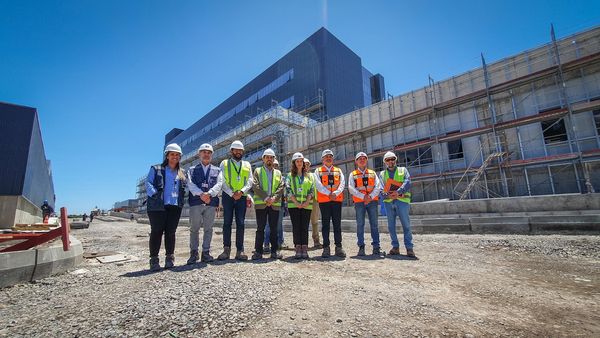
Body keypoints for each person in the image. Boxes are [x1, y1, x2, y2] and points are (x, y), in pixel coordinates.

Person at [145, 143, 187, 271]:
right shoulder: (156, 169)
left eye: (177, 155)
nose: (175, 157)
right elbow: (148, 183)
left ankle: (169, 258)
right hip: (158, 206)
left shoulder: (182, 172)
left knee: (171, 233)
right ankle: (154, 260)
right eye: (172, 154)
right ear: (167, 156)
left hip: (175, 206)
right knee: (156, 232)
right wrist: (156, 195)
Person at [216, 140, 253, 261]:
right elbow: (221, 180)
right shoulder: (224, 163)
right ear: (231, 151)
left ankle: (240, 250)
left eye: (240, 150)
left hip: (241, 196)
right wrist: (232, 193)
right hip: (228, 196)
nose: (238, 152)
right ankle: (226, 249)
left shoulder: (247, 165)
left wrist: (241, 191)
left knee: (241, 223)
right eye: (236, 150)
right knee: (227, 223)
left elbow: (250, 180)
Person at [186, 143, 222, 264]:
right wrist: (202, 194)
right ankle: (194, 253)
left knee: (208, 229)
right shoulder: (191, 170)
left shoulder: (217, 170)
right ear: (199, 154)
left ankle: (205, 252)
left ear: (212, 155)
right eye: (204, 152)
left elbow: (219, 184)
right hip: (196, 203)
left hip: (211, 204)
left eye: (209, 153)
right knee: (194, 229)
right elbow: (190, 184)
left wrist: (209, 194)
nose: (206, 155)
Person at [380, 151, 416, 258]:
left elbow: (408, 181)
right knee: (391, 226)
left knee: (406, 225)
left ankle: (409, 248)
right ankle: (395, 247)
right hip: (388, 202)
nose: (390, 161)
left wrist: (398, 192)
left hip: (402, 201)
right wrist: (387, 194)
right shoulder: (382, 174)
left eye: (392, 159)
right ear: (385, 162)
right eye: (388, 160)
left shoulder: (403, 170)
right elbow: (381, 187)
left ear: (395, 160)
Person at [251, 149, 284, 260]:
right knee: (260, 228)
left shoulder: (278, 173)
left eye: (271, 157)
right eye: (267, 157)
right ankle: (258, 252)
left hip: (274, 204)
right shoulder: (257, 171)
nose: (269, 159)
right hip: (261, 204)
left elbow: (281, 186)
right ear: (263, 158)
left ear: (274, 159)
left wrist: (274, 198)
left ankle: (274, 251)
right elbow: (255, 185)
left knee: (274, 229)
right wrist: (266, 198)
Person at [348, 152, 382, 256]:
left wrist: (370, 197)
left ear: (366, 160)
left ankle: (376, 247)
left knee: (374, 224)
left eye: (364, 158)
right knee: (360, 224)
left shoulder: (372, 173)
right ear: (356, 161)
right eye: (360, 159)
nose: (362, 160)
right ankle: (361, 247)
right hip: (359, 202)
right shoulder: (353, 174)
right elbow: (351, 188)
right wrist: (364, 197)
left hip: (372, 201)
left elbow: (378, 186)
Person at [314, 149, 346, 258]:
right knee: (325, 225)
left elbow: (342, 184)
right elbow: (318, 185)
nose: (328, 158)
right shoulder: (318, 171)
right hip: (325, 201)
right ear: (322, 159)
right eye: (326, 156)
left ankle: (339, 247)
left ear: (332, 159)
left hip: (336, 200)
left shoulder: (338, 171)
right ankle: (326, 248)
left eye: (330, 156)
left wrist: (335, 193)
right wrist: (329, 193)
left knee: (337, 224)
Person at [286, 152, 315, 259]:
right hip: (294, 206)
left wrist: (307, 201)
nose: (299, 163)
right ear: (294, 163)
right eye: (297, 161)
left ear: (303, 163)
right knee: (296, 227)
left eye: (301, 161)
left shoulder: (308, 176)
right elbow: (288, 189)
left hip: (307, 206)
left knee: (305, 227)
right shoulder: (289, 176)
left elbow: (312, 189)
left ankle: (304, 248)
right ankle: (298, 247)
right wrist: (296, 202)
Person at [264, 158, 286, 253]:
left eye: (277, 165)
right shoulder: (266, 176)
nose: (275, 167)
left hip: (279, 204)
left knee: (279, 225)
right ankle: (266, 243)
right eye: (274, 165)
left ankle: (280, 242)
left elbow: (283, 191)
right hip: (268, 203)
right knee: (268, 225)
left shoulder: (281, 177)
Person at [303, 158, 322, 249]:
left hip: (314, 200)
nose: (306, 166)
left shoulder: (313, 175)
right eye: (304, 164)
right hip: (303, 200)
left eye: (307, 164)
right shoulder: (299, 175)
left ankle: (316, 240)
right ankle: (303, 242)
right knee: (304, 222)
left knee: (315, 221)